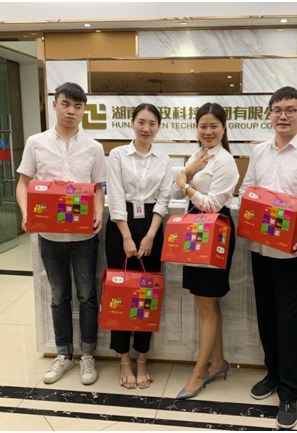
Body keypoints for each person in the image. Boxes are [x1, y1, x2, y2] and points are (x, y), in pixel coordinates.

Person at [238, 87, 297, 429]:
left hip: (291, 250)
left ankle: (290, 391)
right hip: (260, 247)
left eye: (291, 110)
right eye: (277, 109)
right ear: (270, 114)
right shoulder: (259, 152)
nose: (283, 116)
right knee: (265, 315)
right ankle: (273, 374)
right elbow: (247, 189)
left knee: (287, 320)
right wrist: (254, 202)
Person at [16, 82, 106, 385]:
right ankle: (64, 355)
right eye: (66, 104)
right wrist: (26, 212)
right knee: (58, 297)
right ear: (55, 104)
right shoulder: (36, 143)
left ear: (83, 111)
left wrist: (98, 212)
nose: (71, 111)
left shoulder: (93, 148)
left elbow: (97, 188)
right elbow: (23, 183)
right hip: (50, 237)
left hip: (84, 238)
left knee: (87, 296)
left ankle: (88, 355)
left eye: (78, 106)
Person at [173, 102, 240, 400]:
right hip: (196, 231)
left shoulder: (225, 161)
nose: (208, 131)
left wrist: (185, 183)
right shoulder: (198, 155)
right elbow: (175, 189)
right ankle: (217, 362)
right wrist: (187, 173)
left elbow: (212, 204)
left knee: (207, 303)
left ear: (224, 128)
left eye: (214, 126)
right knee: (206, 303)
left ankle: (199, 374)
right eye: (203, 126)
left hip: (214, 233)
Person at [105, 103, 173, 390]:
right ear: (132, 123)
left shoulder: (164, 159)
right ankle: (123, 359)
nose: (146, 128)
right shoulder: (118, 155)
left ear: (158, 127)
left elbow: (164, 199)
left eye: (152, 123)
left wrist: (150, 236)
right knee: (120, 291)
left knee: (147, 294)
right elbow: (115, 196)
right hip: (120, 226)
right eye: (141, 122)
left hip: (151, 227)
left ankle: (142, 357)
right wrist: (126, 236)